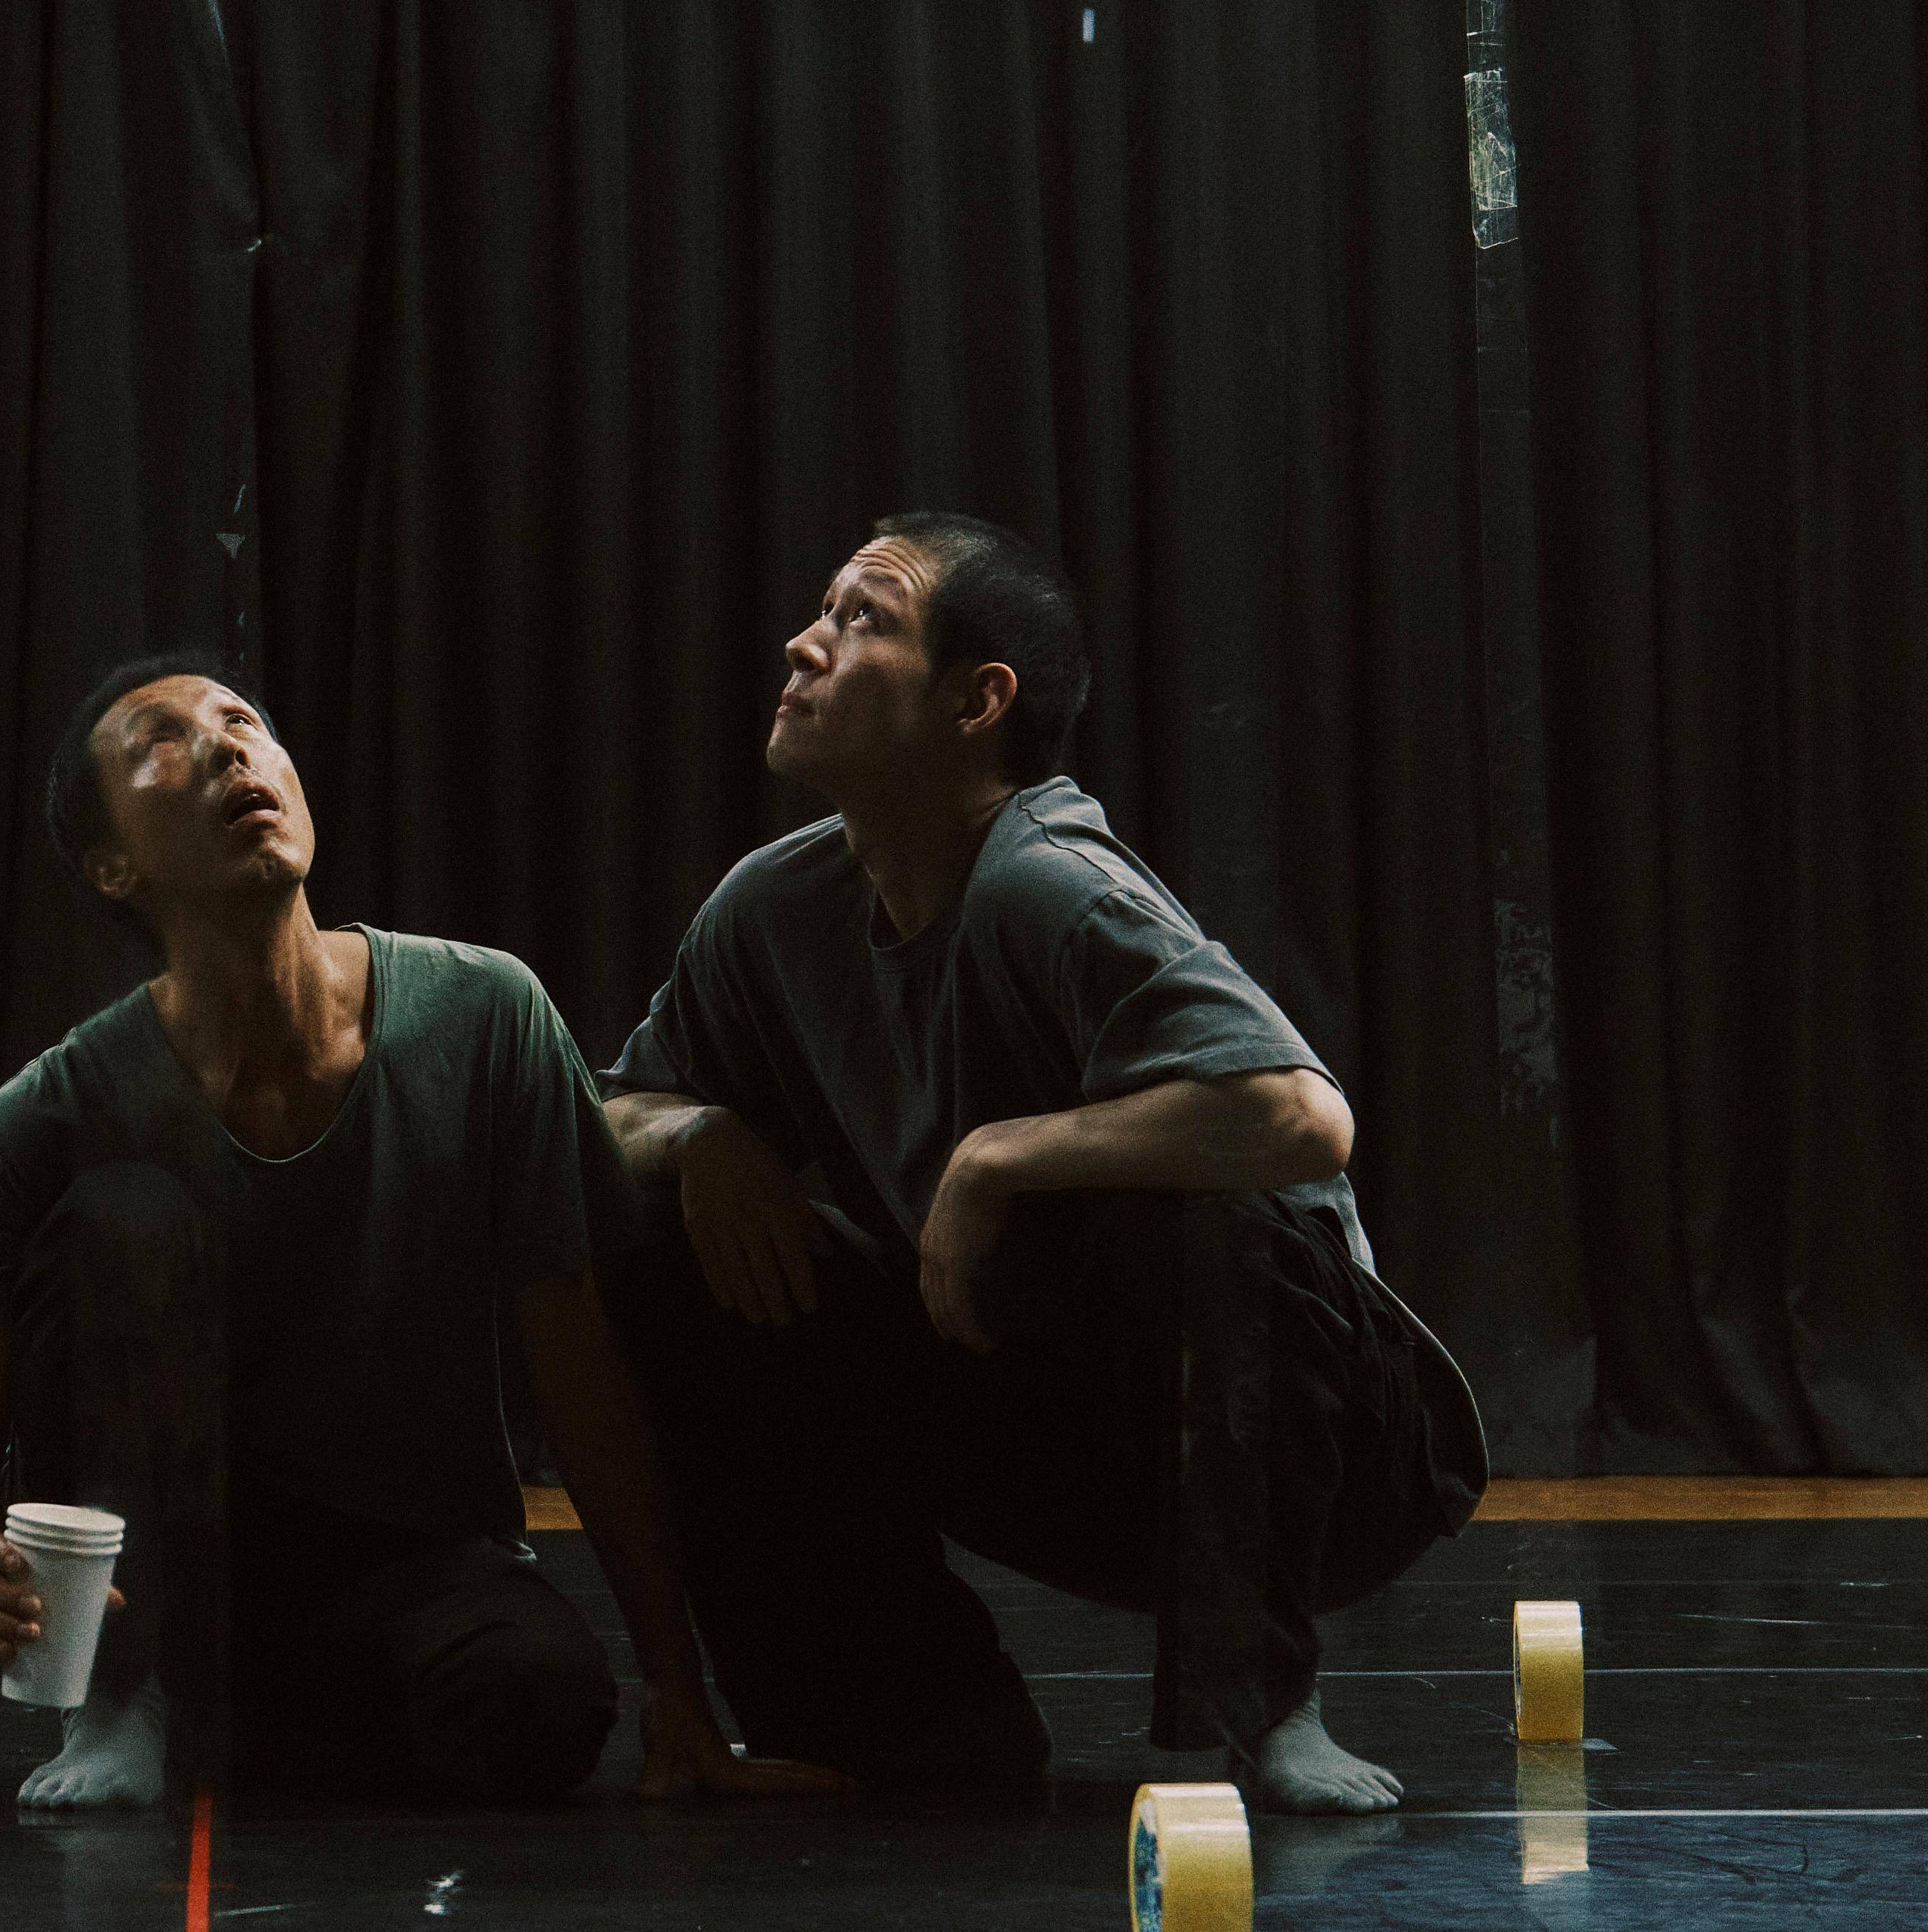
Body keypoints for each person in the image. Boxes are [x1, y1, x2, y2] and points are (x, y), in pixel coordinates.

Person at [598, 517, 1485, 1812]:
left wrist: (997, 1158)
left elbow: (1302, 1119)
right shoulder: (773, 910)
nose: (804, 643)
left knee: (1220, 1219)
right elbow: (612, 1113)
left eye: (863, 619)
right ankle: (909, 1716)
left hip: (1317, 1451)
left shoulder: (1046, 880)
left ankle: (1266, 1703)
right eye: (823, 611)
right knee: (661, 1238)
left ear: (977, 702)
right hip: (1043, 1412)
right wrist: (701, 1134)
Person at [0, 655, 831, 1816]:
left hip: (417, 1565)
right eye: (163, 740)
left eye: (245, 721)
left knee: (540, 1709)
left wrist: (678, 1690)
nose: (229, 745)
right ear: (112, 866)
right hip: (176, 1577)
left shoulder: (485, 1011)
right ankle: (130, 1695)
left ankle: (246, 1730)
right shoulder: (43, 1114)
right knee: (118, 1206)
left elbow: (582, 1378)